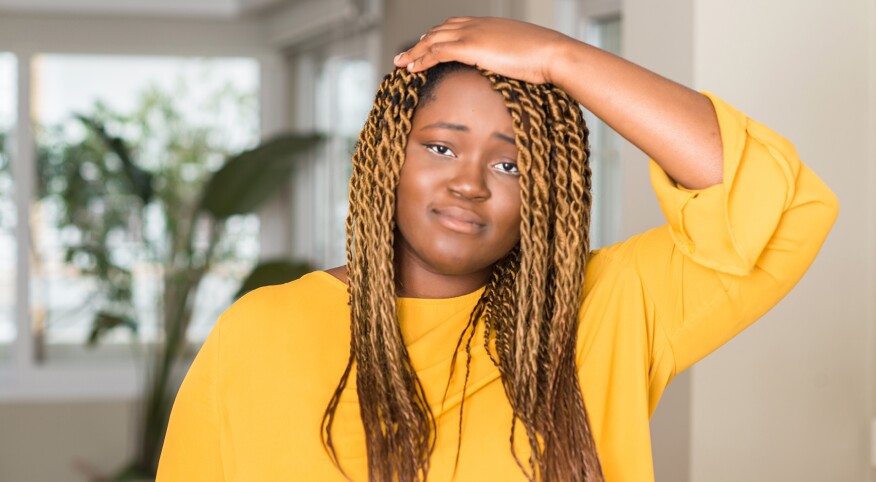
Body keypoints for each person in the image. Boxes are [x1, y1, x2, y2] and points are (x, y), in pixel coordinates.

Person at [156, 16, 838, 482]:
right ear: (389, 156)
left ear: (546, 192)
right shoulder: (259, 332)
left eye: (510, 165)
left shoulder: (599, 314)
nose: (470, 184)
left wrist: (559, 57)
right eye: (442, 146)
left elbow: (781, 205)